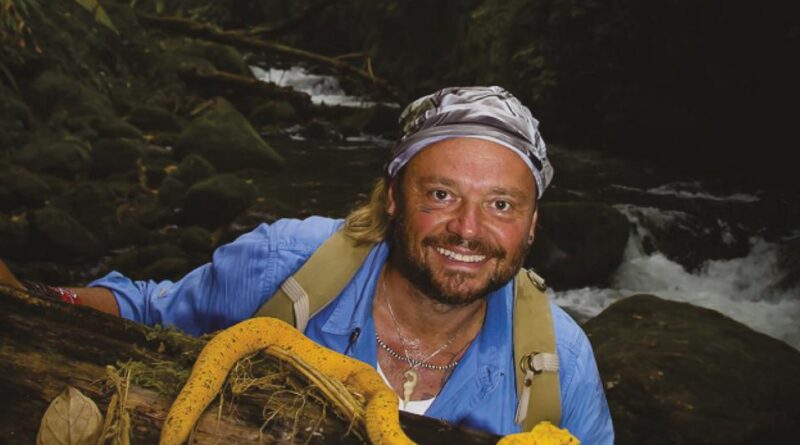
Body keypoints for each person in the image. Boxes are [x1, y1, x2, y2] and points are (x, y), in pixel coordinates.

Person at [0, 86, 614, 442]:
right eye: (441, 194)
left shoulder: (559, 363)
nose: (468, 230)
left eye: (501, 204)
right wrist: (30, 300)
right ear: (394, 198)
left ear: (532, 223)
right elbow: (146, 309)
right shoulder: (291, 266)